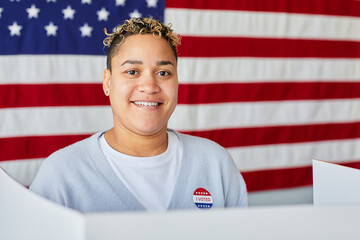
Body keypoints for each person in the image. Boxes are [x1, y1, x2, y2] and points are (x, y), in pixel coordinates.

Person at [30, 17, 248, 212]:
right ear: (108, 82)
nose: (149, 86)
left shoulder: (215, 162)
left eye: (163, 73)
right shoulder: (62, 173)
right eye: (132, 71)